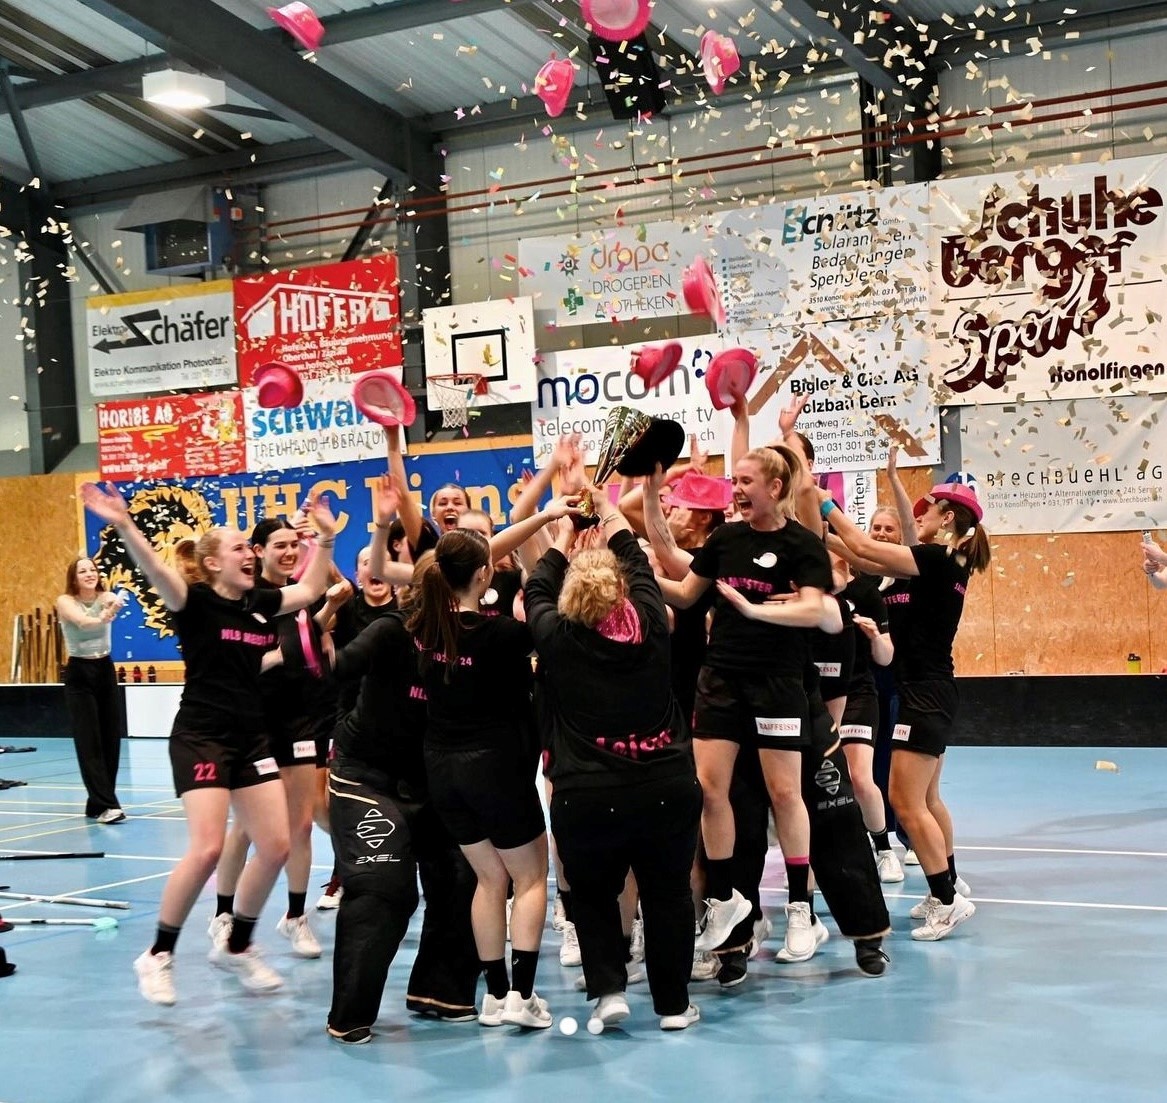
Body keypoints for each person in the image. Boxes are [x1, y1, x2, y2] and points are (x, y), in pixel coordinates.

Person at [80, 481, 337, 1005]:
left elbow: (310, 591)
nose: (250, 554)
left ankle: (238, 945)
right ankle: (158, 954)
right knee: (207, 848)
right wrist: (123, 523)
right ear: (214, 563)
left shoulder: (260, 602)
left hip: (251, 738)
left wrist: (326, 539)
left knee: (277, 845)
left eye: (249, 547)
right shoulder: (193, 602)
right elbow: (155, 569)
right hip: (201, 737)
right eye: (240, 547)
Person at [525, 493, 703, 1032]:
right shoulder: (651, 624)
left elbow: (537, 588)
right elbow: (637, 563)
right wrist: (607, 510)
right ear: (624, 589)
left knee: (594, 895)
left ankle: (608, 992)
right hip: (664, 784)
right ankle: (673, 1005)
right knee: (668, 894)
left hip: (586, 792)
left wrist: (562, 535)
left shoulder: (556, 636)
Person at [656, 446, 833, 962]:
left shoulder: (802, 545)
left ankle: (800, 909)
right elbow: (686, 594)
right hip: (720, 679)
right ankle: (724, 899)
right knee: (710, 789)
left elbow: (813, 611)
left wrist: (755, 612)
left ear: (775, 488)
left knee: (784, 792)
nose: (736, 490)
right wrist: (636, 578)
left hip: (777, 682)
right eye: (734, 481)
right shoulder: (725, 539)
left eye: (745, 482)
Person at [407, 499, 577, 1029]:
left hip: (443, 771)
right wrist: (560, 535)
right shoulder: (503, 634)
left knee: (488, 879)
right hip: (496, 771)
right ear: (484, 575)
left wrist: (544, 518)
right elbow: (545, 596)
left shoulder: (424, 624)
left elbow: (464, 561)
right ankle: (522, 997)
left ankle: (496, 996)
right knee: (530, 878)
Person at [322, 552, 480, 1044]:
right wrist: (317, 627)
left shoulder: (472, 638)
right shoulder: (391, 631)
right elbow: (338, 667)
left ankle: (439, 991)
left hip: (433, 782)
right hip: (366, 777)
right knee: (384, 889)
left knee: (466, 876)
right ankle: (349, 1014)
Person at [823, 481, 991, 941]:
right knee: (928, 799)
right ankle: (945, 887)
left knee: (906, 801)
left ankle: (948, 901)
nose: (919, 517)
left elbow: (862, 547)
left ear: (948, 517)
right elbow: (862, 557)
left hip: (924, 696)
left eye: (926, 511)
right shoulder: (943, 562)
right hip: (930, 691)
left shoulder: (938, 559)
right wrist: (816, 534)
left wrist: (824, 504)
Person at [56, 557, 127, 824]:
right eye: (82, 571)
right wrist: (104, 616)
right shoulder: (65, 601)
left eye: (92, 569)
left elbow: (111, 601)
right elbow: (84, 623)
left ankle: (97, 802)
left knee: (110, 739)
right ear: (74, 578)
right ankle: (108, 805)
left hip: (104, 669)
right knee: (89, 740)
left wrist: (113, 605)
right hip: (79, 673)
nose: (89, 574)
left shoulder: (104, 596)